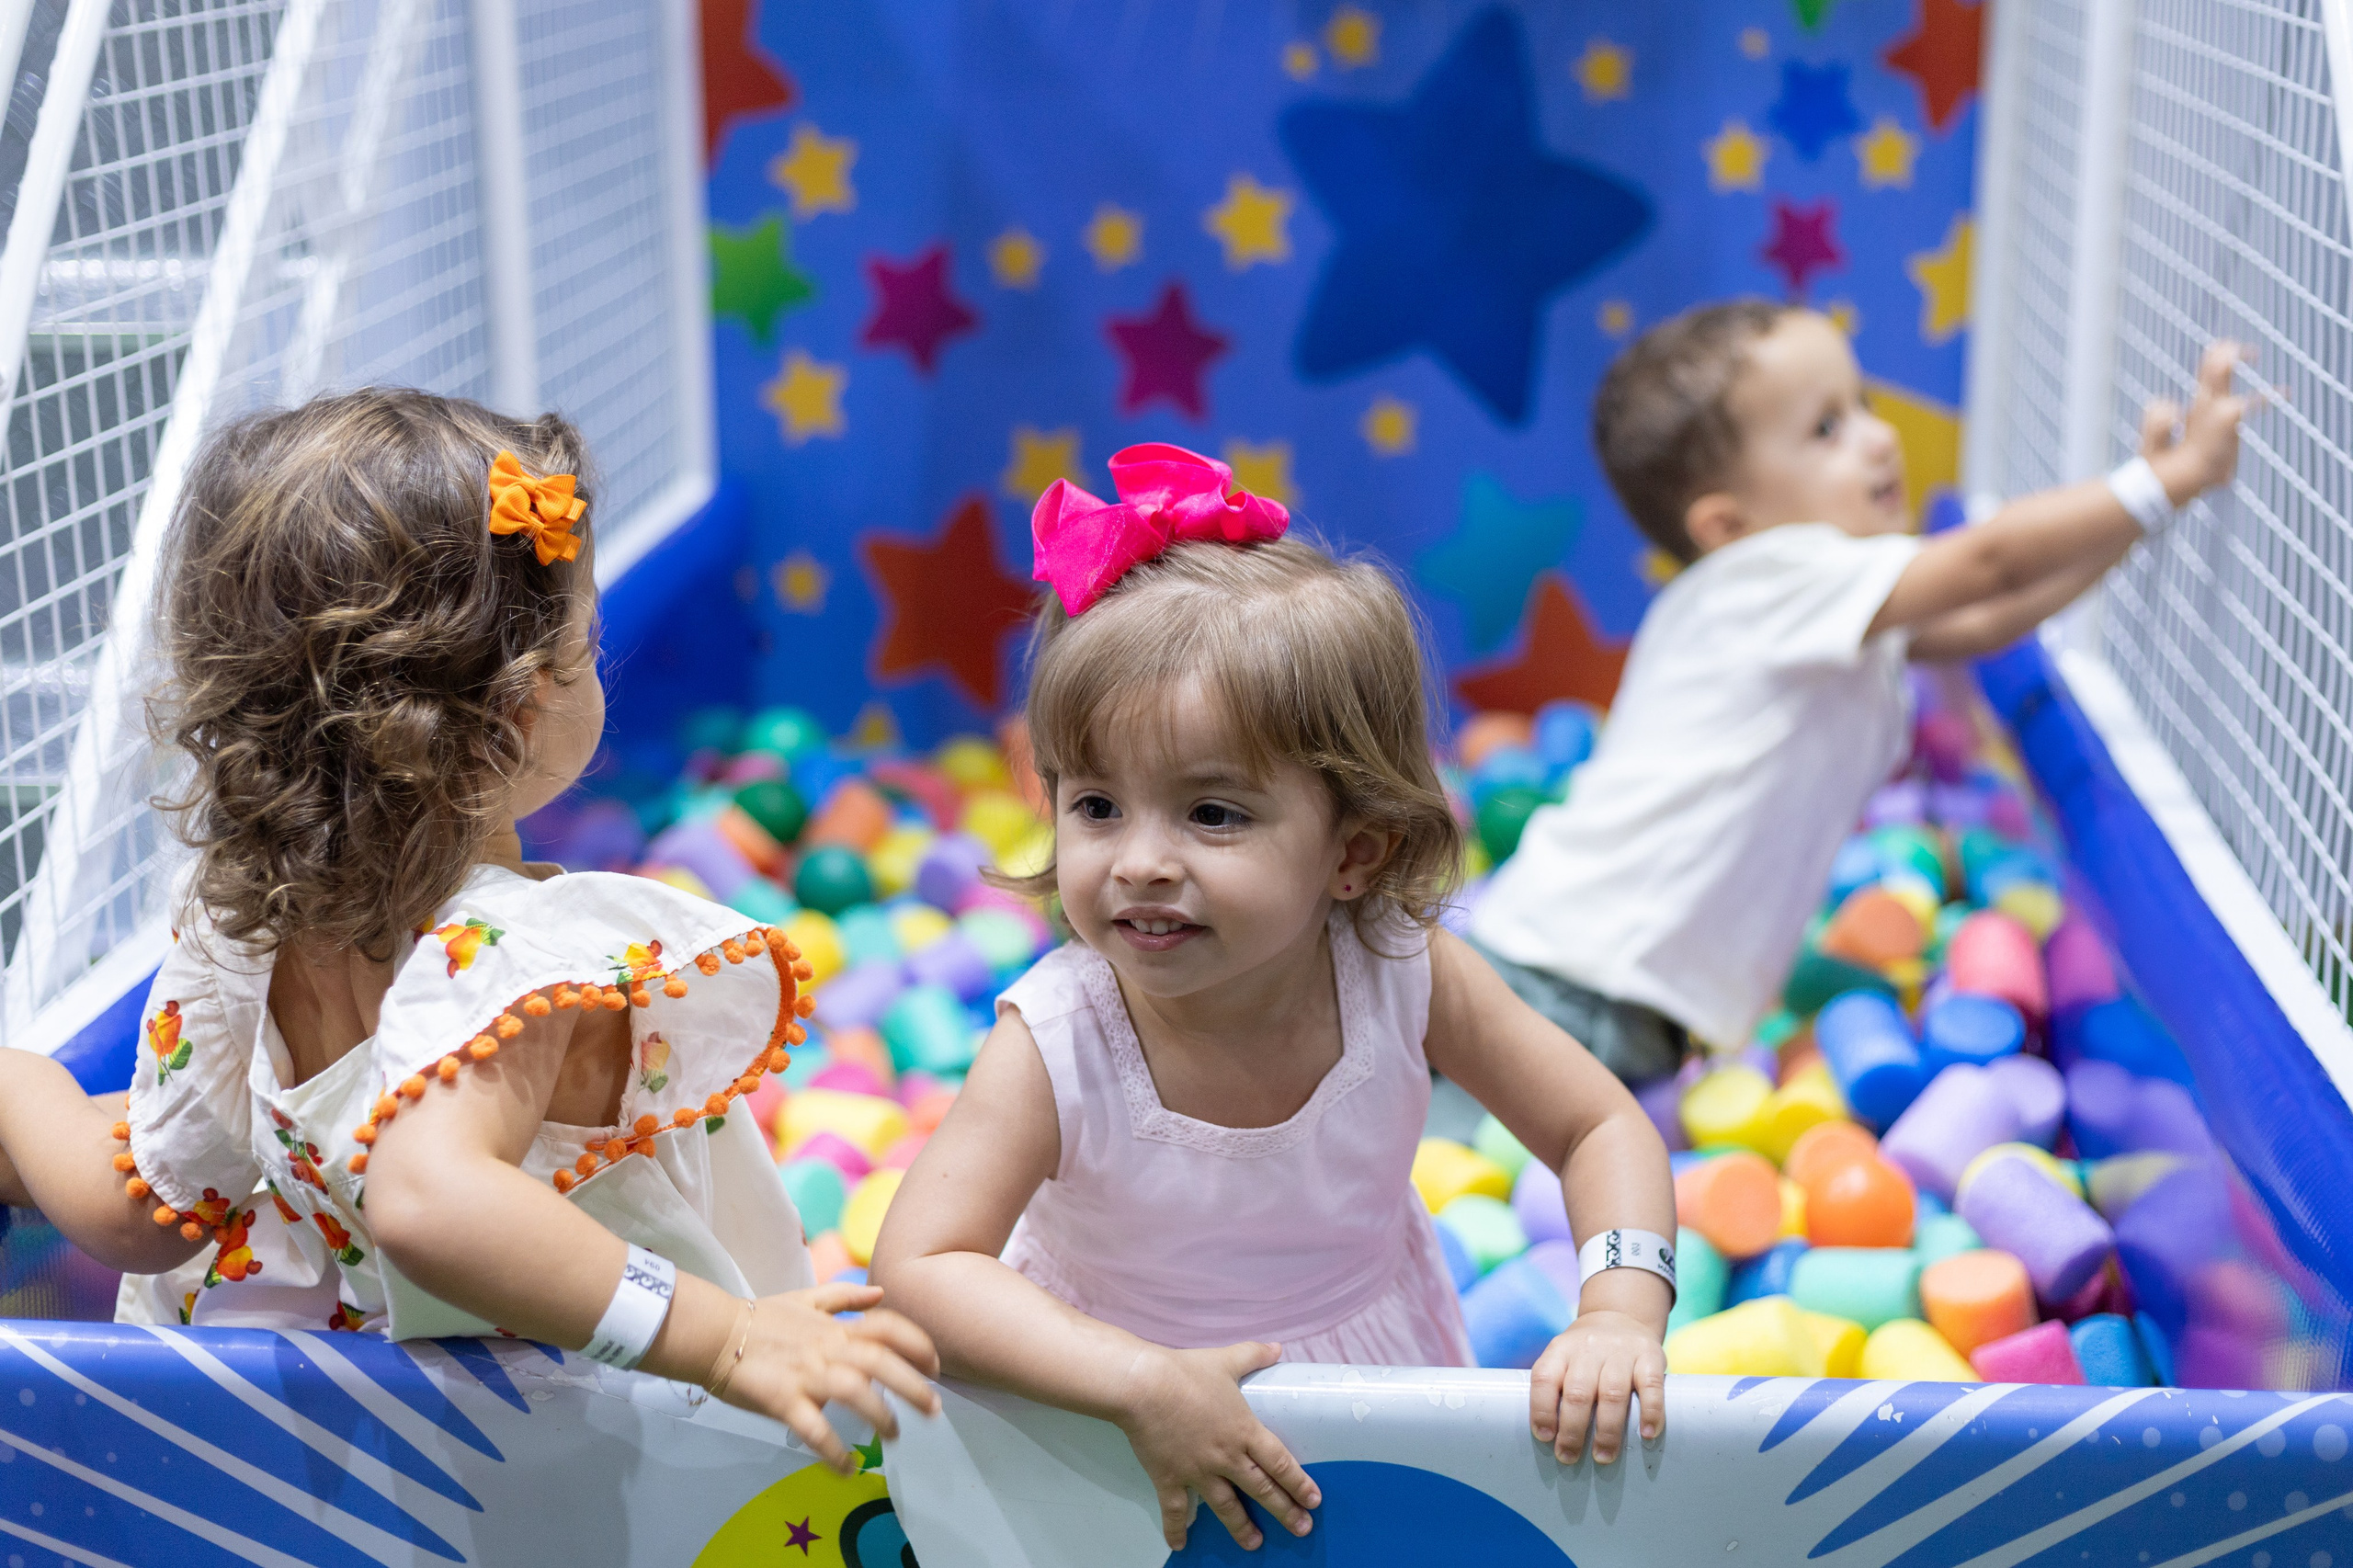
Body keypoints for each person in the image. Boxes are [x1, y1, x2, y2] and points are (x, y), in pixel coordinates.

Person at [0, 391, 936, 1466]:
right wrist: (725, 1340)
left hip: (374, 1436)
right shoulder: (511, 952)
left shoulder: (241, 924)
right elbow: (430, 1196)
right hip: (596, 1438)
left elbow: (147, 1211)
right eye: (586, 647)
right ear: (524, 705)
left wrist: (22, 1092)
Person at [870, 444, 1678, 1554]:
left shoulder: (1401, 967)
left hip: (1367, 1369)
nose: (1140, 861)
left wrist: (1620, 1309)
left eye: (1212, 814)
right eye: (1097, 804)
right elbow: (921, 1267)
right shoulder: (1059, 1040)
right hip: (1096, 1396)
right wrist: (1138, 1382)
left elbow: (1597, 1122)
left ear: (1354, 849)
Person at [1471, 302, 2252, 1078]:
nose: (1878, 438)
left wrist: (2143, 512)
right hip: (1553, 986)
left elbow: (1988, 616)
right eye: (1827, 430)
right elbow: (1989, 565)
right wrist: (2159, 480)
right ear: (1728, 525)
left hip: (1603, 997)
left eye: (1864, 405)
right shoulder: (1766, 581)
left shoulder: (1820, 608)